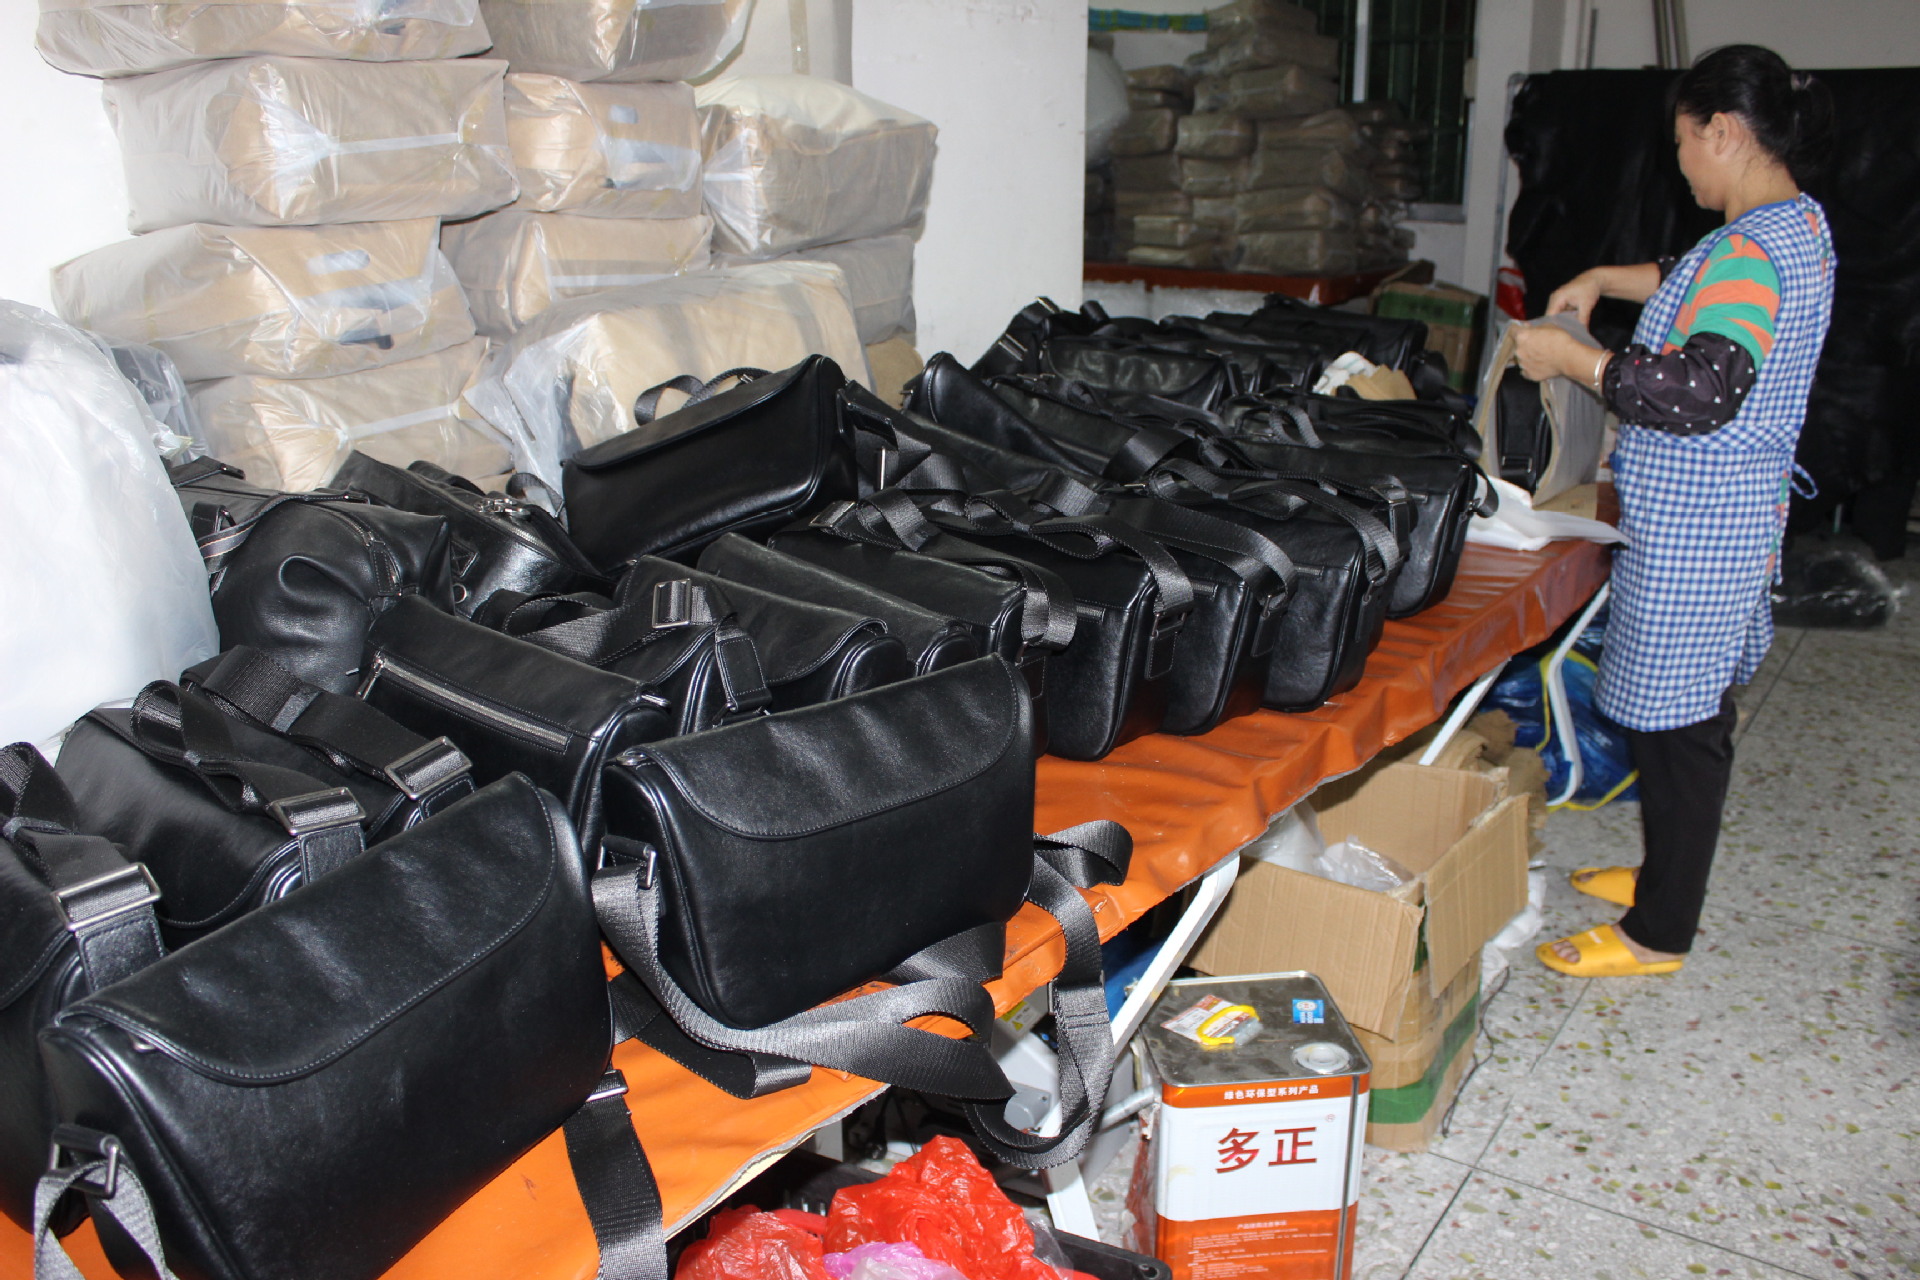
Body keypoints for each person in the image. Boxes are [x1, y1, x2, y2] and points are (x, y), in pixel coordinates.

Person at [1509, 44, 1836, 977]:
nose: (1681, 162)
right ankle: (1667, 875)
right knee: (1684, 712)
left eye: (1685, 141)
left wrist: (1571, 359)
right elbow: (1691, 279)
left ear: (1722, 132)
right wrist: (1604, 280)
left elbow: (1700, 389)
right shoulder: (1792, 225)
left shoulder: (1752, 250)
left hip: (1702, 527)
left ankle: (1660, 930)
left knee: (1682, 730)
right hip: (1730, 518)